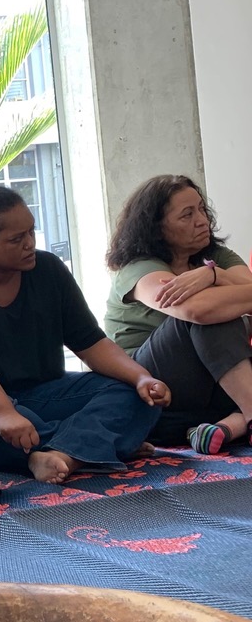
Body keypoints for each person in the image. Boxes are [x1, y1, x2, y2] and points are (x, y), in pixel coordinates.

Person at [0, 178, 170, 484]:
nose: (30, 243)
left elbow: (91, 343)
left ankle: (62, 455)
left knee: (135, 395)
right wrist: (2, 412)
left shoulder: (49, 270)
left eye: (31, 231)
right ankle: (98, 444)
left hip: (37, 393)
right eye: (16, 239)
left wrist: (141, 377)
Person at [105, 174, 252, 453]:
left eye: (201, 209)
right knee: (211, 315)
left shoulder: (215, 257)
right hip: (151, 391)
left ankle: (226, 428)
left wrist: (213, 275)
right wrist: (223, 288)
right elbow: (198, 310)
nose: (202, 220)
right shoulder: (138, 269)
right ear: (157, 228)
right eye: (187, 215)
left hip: (209, 390)